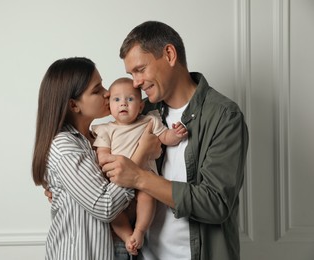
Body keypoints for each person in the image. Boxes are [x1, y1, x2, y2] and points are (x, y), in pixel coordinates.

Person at [99, 21, 249, 260]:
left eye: (140, 69)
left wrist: (140, 177)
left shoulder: (223, 116)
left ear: (169, 54)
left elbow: (216, 203)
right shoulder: (141, 112)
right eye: (131, 74)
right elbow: (103, 150)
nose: (135, 83)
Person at [32, 57, 154, 260]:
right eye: (97, 90)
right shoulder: (65, 147)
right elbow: (105, 207)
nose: (107, 93)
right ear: (74, 105)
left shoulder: (96, 138)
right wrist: (142, 154)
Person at [92, 77, 187, 258]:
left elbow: (164, 137)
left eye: (130, 99)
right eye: (117, 99)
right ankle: (127, 236)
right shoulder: (106, 129)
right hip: (117, 183)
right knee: (115, 212)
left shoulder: (149, 121)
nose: (123, 104)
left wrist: (175, 134)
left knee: (147, 197)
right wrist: (107, 161)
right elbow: (103, 155)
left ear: (141, 106)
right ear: (109, 105)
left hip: (144, 179)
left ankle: (139, 231)